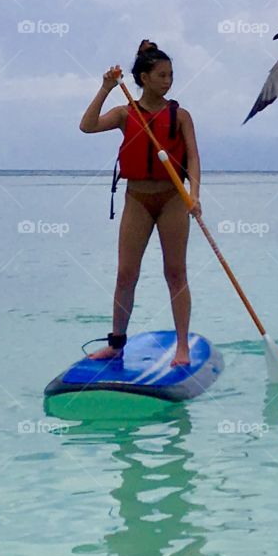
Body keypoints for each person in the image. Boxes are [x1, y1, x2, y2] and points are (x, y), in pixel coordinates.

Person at [79, 40, 202, 367]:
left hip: (173, 199)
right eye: (161, 75)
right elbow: (87, 126)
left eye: (171, 75)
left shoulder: (181, 115)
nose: (168, 81)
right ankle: (116, 344)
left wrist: (195, 195)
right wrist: (105, 88)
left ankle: (182, 349)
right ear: (144, 78)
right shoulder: (124, 113)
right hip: (137, 198)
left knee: (175, 273)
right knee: (126, 275)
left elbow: (193, 157)